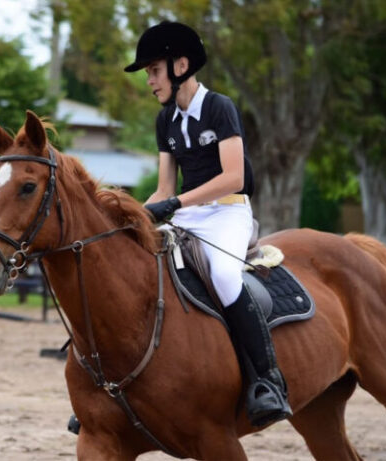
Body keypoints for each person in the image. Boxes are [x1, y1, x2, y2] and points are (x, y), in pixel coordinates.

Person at [126, 21, 291, 426]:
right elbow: (164, 188)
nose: (150, 81)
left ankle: (268, 381)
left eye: (154, 71)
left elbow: (234, 176)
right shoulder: (166, 120)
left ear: (181, 66)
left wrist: (174, 203)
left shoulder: (219, 107)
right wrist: (128, 216)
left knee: (224, 275)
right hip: (188, 215)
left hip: (228, 212)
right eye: (148, 73)